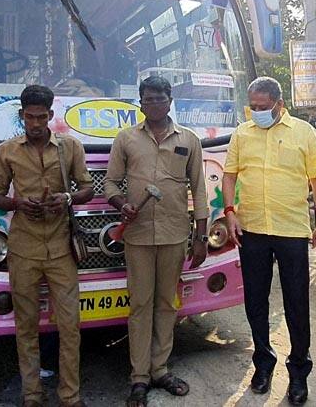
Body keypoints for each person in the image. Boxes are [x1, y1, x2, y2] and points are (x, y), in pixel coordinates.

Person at [221, 77, 316, 405]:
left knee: (297, 303)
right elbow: (229, 175)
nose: (256, 112)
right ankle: (263, 364)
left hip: (292, 231)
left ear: (280, 104)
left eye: (263, 107)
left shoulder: (304, 132)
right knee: (255, 301)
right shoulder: (242, 133)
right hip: (252, 229)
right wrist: (230, 212)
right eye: (252, 107)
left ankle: (298, 372)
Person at [104, 76, 209, 407]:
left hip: (174, 233)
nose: (153, 105)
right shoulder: (126, 139)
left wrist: (200, 237)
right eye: (147, 100)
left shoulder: (189, 140)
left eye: (159, 99)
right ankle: (139, 378)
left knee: (167, 304)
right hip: (136, 236)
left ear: (170, 99)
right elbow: (109, 183)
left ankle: (160, 370)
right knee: (139, 305)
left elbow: (200, 191)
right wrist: (122, 204)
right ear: (140, 103)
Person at [0, 85, 94, 407]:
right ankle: (32, 395)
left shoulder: (70, 147)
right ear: (22, 115)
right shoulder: (6, 150)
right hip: (23, 249)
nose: (35, 123)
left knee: (70, 326)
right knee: (26, 327)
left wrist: (65, 198)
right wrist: (17, 204)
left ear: (51, 115)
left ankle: (70, 396)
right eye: (29, 117)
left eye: (41, 116)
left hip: (62, 250)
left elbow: (88, 190)